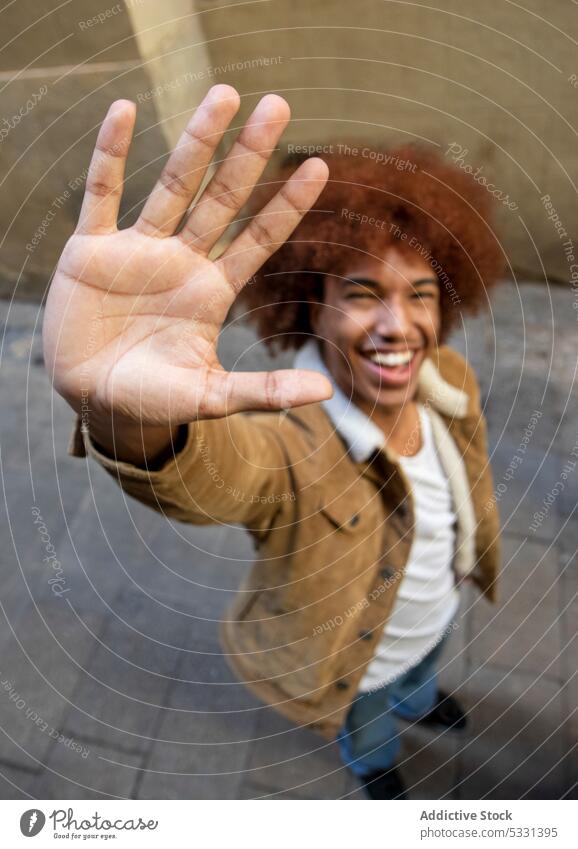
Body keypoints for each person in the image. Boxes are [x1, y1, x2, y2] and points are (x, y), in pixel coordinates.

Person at [43, 84, 504, 799]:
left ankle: (422, 692)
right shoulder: (292, 442)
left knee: (423, 670)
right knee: (376, 711)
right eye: (360, 293)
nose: (398, 324)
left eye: (420, 292)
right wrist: (130, 415)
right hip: (359, 657)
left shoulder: (450, 375)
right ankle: (375, 752)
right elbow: (220, 472)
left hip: (439, 609)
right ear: (307, 304)